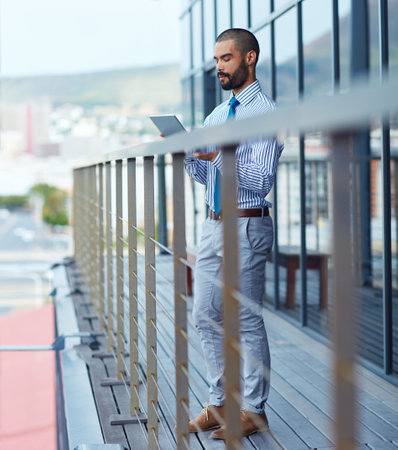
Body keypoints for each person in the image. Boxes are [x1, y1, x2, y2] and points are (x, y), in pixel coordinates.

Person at [184, 28, 283, 439]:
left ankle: (255, 411)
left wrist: (220, 156)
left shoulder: (266, 112)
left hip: (247, 222)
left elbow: (260, 179)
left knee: (244, 318)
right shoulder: (215, 116)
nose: (218, 67)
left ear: (249, 58)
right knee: (204, 313)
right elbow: (209, 178)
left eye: (226, 58)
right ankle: (221, 402)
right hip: (212, 223)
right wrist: (189, 156)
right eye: (216, 60)